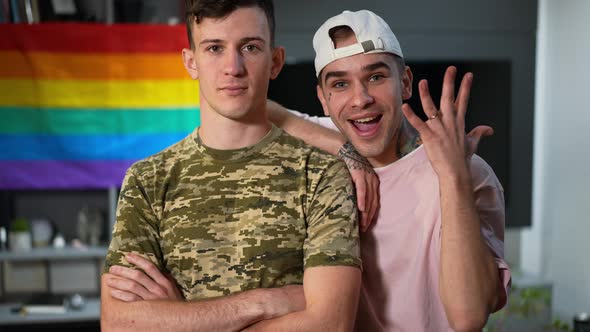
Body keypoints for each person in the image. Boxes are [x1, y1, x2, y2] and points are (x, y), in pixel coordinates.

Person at [100, 1, 363, 331]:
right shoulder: (148, 180)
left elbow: (331, 324)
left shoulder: (321, 175)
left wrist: (180, 317)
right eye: (214, 48)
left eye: (250, 47)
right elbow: (119, 324)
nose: (233, 67)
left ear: (275, 61)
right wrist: (267, 302)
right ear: (191, 61)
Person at [267, 9, 511, 331]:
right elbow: (256, 109)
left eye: (376, 77)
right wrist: (347, 151)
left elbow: (469, 317)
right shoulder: (332, 143)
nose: (360, 99)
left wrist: (453, 178)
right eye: (340, 84)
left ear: (405, 82)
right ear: (323, 100)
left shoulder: (470, 174)